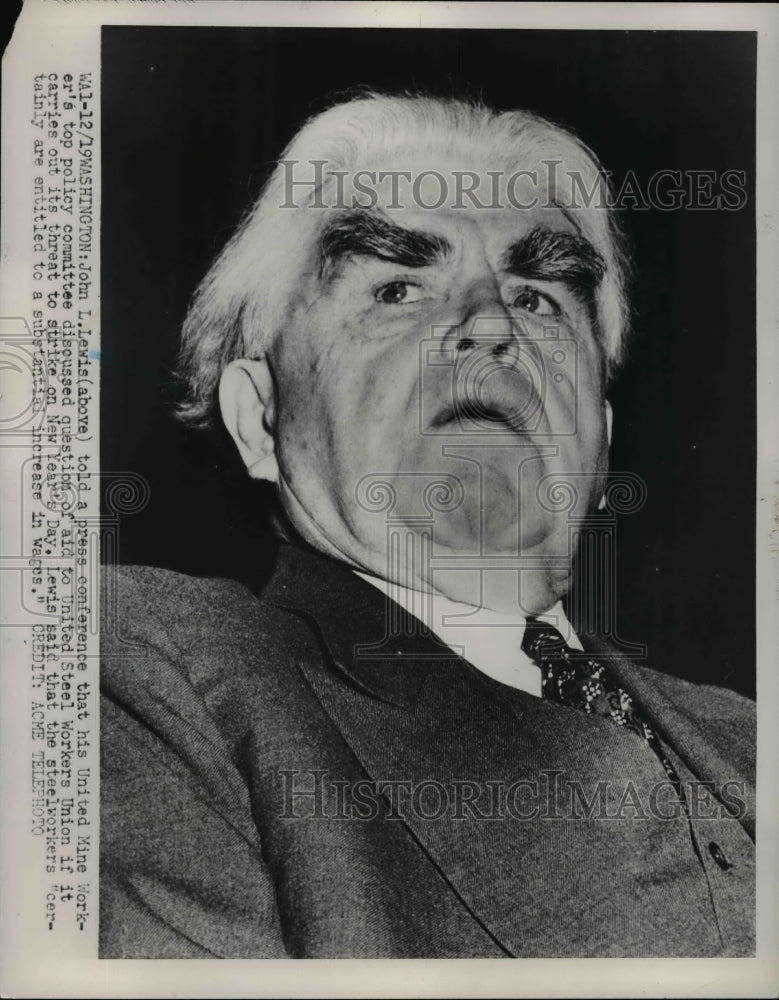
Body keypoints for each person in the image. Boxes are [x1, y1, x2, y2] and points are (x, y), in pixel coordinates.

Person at [100, 93, 755, 958]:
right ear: (259, 419)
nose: (490, 325)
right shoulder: (155, 676)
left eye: (539, 296)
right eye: (398, 287)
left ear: (599, 431)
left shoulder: (748, 729)